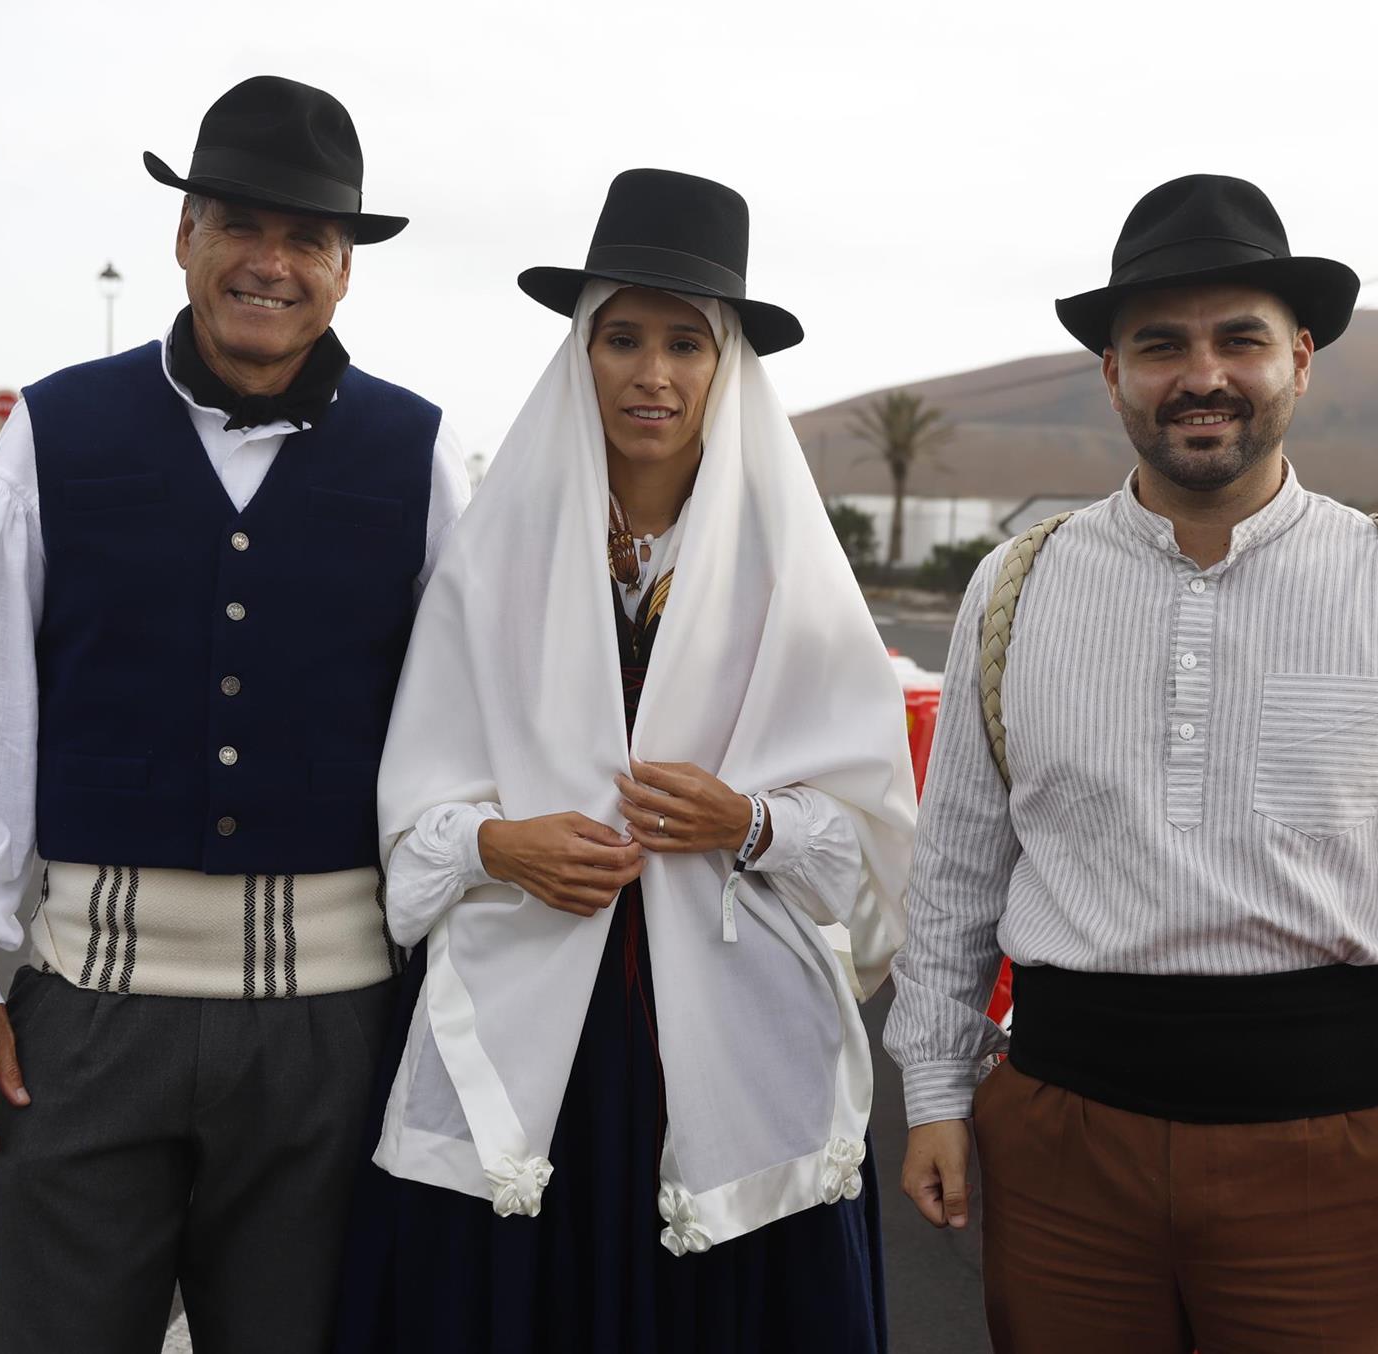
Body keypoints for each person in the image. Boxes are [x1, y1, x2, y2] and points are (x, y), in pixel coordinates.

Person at [885, 174, 1378, 1354]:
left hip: (1327, 1158)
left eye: (1238, 339)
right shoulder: (1016, 588)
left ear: (1300, 359)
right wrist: (936, 1092)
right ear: (1112, 372)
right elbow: (955, 869)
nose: (1199, 374)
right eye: (1158, 344)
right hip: (1060, 1153)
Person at [0, 75, 470, 1353]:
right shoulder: (56, 430)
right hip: (91, 1016)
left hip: (332, 1034)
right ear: (185, 235)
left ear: (347, 269)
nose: (269, 263)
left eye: (307, 240)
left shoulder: (420, 455)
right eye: (238, 223)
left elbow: (468, 732)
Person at [335, 168, 918, 1353]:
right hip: (532, 1014)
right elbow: (413, 815)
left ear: (728, 368)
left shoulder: (792, 580)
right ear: (582, 355)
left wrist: (744, 821)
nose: (652, 374)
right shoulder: (493, 563)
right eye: (622, 339)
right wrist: (502, 842)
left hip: (728, 1032)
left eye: (685, 344)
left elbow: (870, 837)